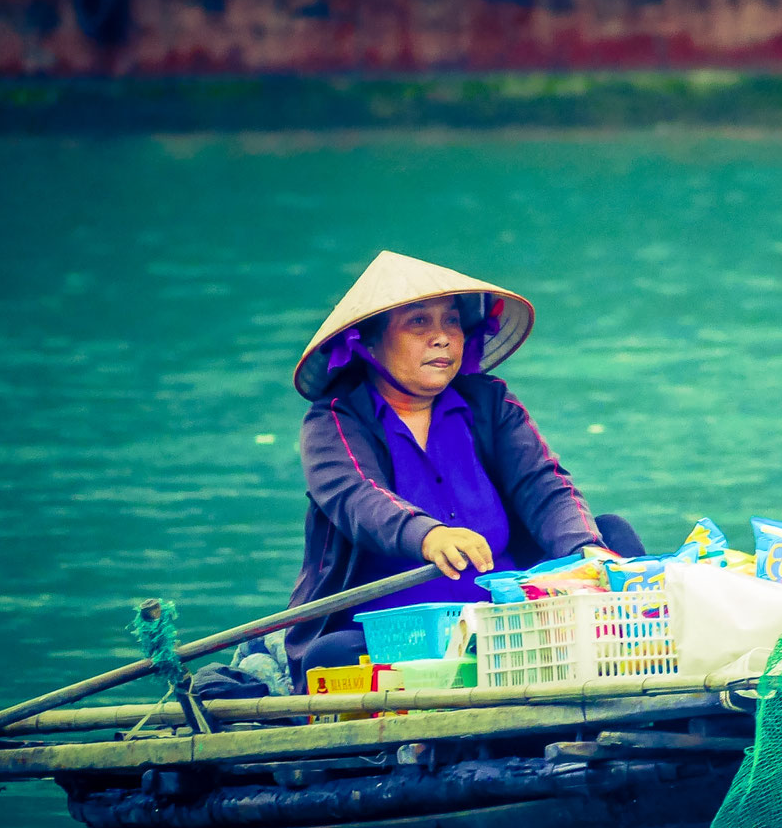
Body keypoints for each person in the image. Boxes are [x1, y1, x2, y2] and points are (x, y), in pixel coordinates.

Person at [275, 251, 642, 688]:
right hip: (395, 642)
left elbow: (543, 484)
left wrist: (586, 551)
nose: (443, 338)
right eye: (418, 324)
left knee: (610, 537)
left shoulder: (489, 403)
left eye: (451, 322)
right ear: (368, 343)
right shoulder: (334, 420)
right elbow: (358, 497)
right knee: (330, 656)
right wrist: (429, 535)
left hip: (510, 627)